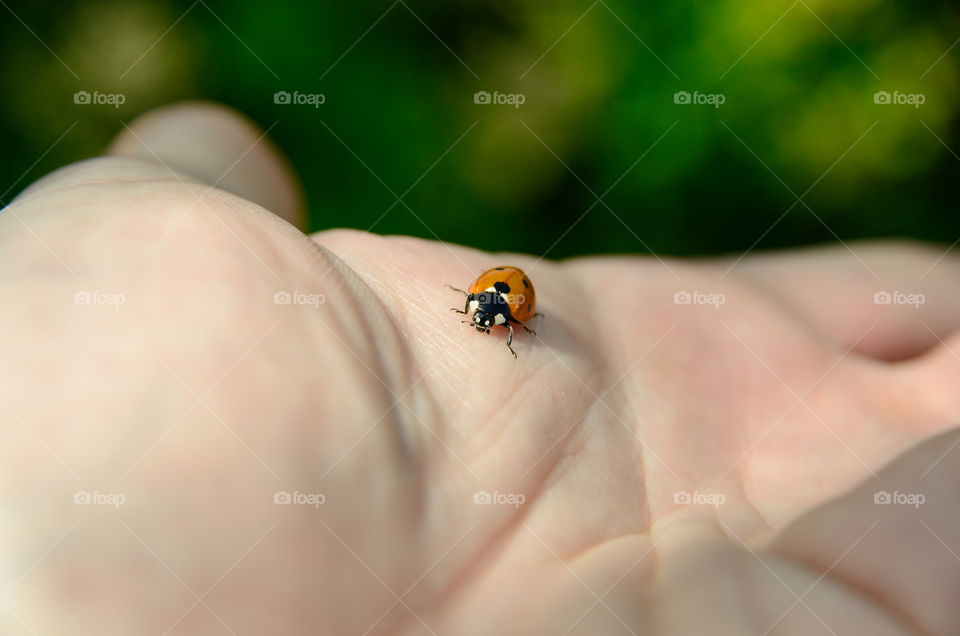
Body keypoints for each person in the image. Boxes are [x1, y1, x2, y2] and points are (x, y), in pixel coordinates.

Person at [1, 102, 957, 635]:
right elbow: (491, 304)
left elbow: (500, 308)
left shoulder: (507, 307)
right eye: (489, 310)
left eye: (491, 311)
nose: (490, 314)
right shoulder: (495, 302)